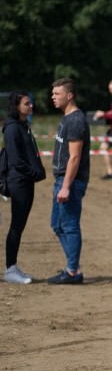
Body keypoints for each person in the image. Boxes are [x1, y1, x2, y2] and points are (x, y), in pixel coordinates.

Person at [49, 78, 91, 285]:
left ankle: (73, 271)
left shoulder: (75, 120)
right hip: (62, 180)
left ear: (69, 95)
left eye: (57, 94)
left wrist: (66, 186)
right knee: (56, 224)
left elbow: (74, 157)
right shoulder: (67, 118)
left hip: (70, 183)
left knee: (70, 225)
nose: (52, 97)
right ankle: (73, 266)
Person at [3, 91, 46, 284]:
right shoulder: (12, 129)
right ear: (17, 106)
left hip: (27, 181)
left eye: (31, 103)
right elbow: (15, 161)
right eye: (27, 103)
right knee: (16, 226)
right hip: (18, 181)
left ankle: (12, 267)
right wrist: (35, 172)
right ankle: (10, 269)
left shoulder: (23, 125)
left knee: (19, 226)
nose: (31, 106)